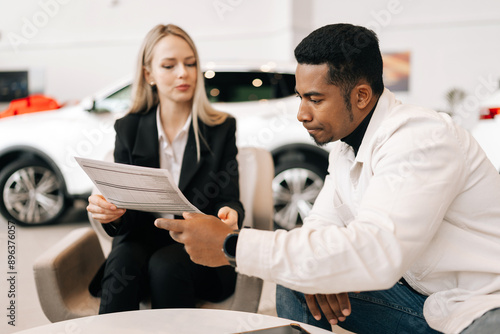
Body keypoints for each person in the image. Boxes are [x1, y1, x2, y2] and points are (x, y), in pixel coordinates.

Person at [155, 23, 500, 334]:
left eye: (315, 99)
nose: (301, 114)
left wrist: (233, 245)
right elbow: (320, 226)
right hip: (421, 301)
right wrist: (319, 272)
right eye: (300, 98)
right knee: (296, 280)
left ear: (361, 96)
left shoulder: (421, 138)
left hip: (483, 304)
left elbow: (376, 251)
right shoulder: (344, 148)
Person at [86, 23, 244, 314]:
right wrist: (112, 214)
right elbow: (126, 217)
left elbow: (228, 198)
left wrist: (231, 213)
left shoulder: (221, 129)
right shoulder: (128, 128)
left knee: (166, 263)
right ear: (149, 74)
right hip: (140, 241)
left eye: (190, 63)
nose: (183, 73)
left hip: (195, 249)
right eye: (169, 65)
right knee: (122, 260)